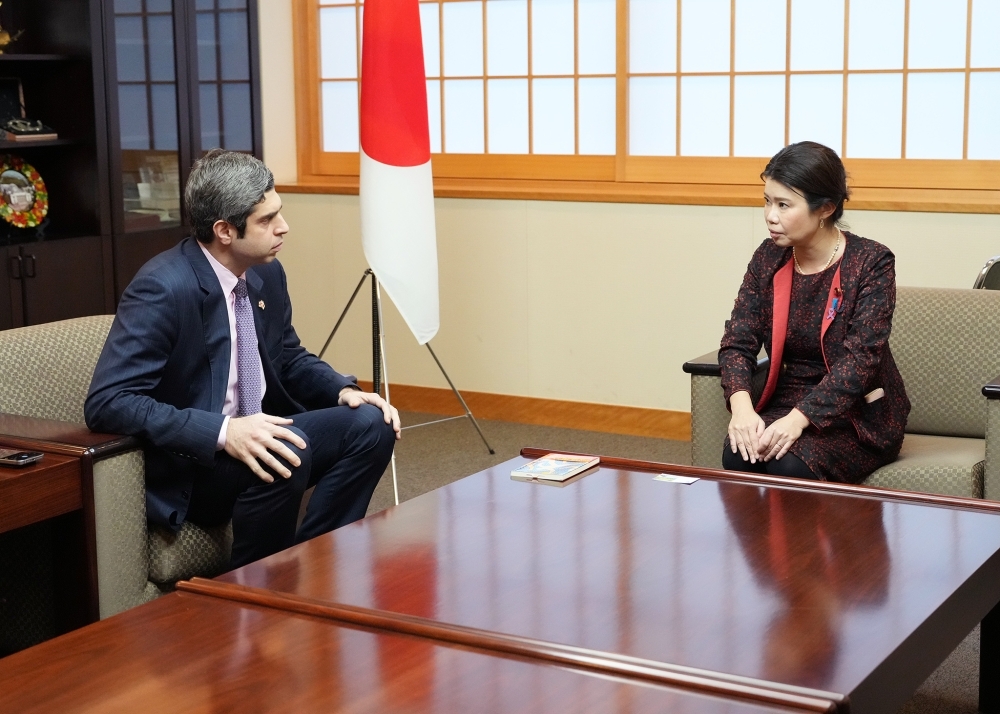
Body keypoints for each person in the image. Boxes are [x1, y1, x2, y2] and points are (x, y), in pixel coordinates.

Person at [85, 149, 399, 569]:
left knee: (372, 424)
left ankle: (319, 561)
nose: (283, 228)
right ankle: (257, 592)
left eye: (279, 213)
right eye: (267, 220)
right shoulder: (163, 288)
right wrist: (223, 431)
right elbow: (109, 401)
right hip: (195, 464)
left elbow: (286, 356)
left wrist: (341, 390)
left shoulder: (266, 271)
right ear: (224, 231)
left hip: (260, 431)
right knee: (289, 450)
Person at [719, 141, 909, 482]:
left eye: (783, 204)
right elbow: (738, 339)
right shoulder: (768, 257)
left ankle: (814, 538)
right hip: (784, 398)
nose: (770, 216)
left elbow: (861, 360)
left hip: (854, 412)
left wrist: (798, 419)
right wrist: (742, 409)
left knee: (788, 464)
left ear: (825, 208)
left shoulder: (871, 262)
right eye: (767, 201)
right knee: (739, 455)